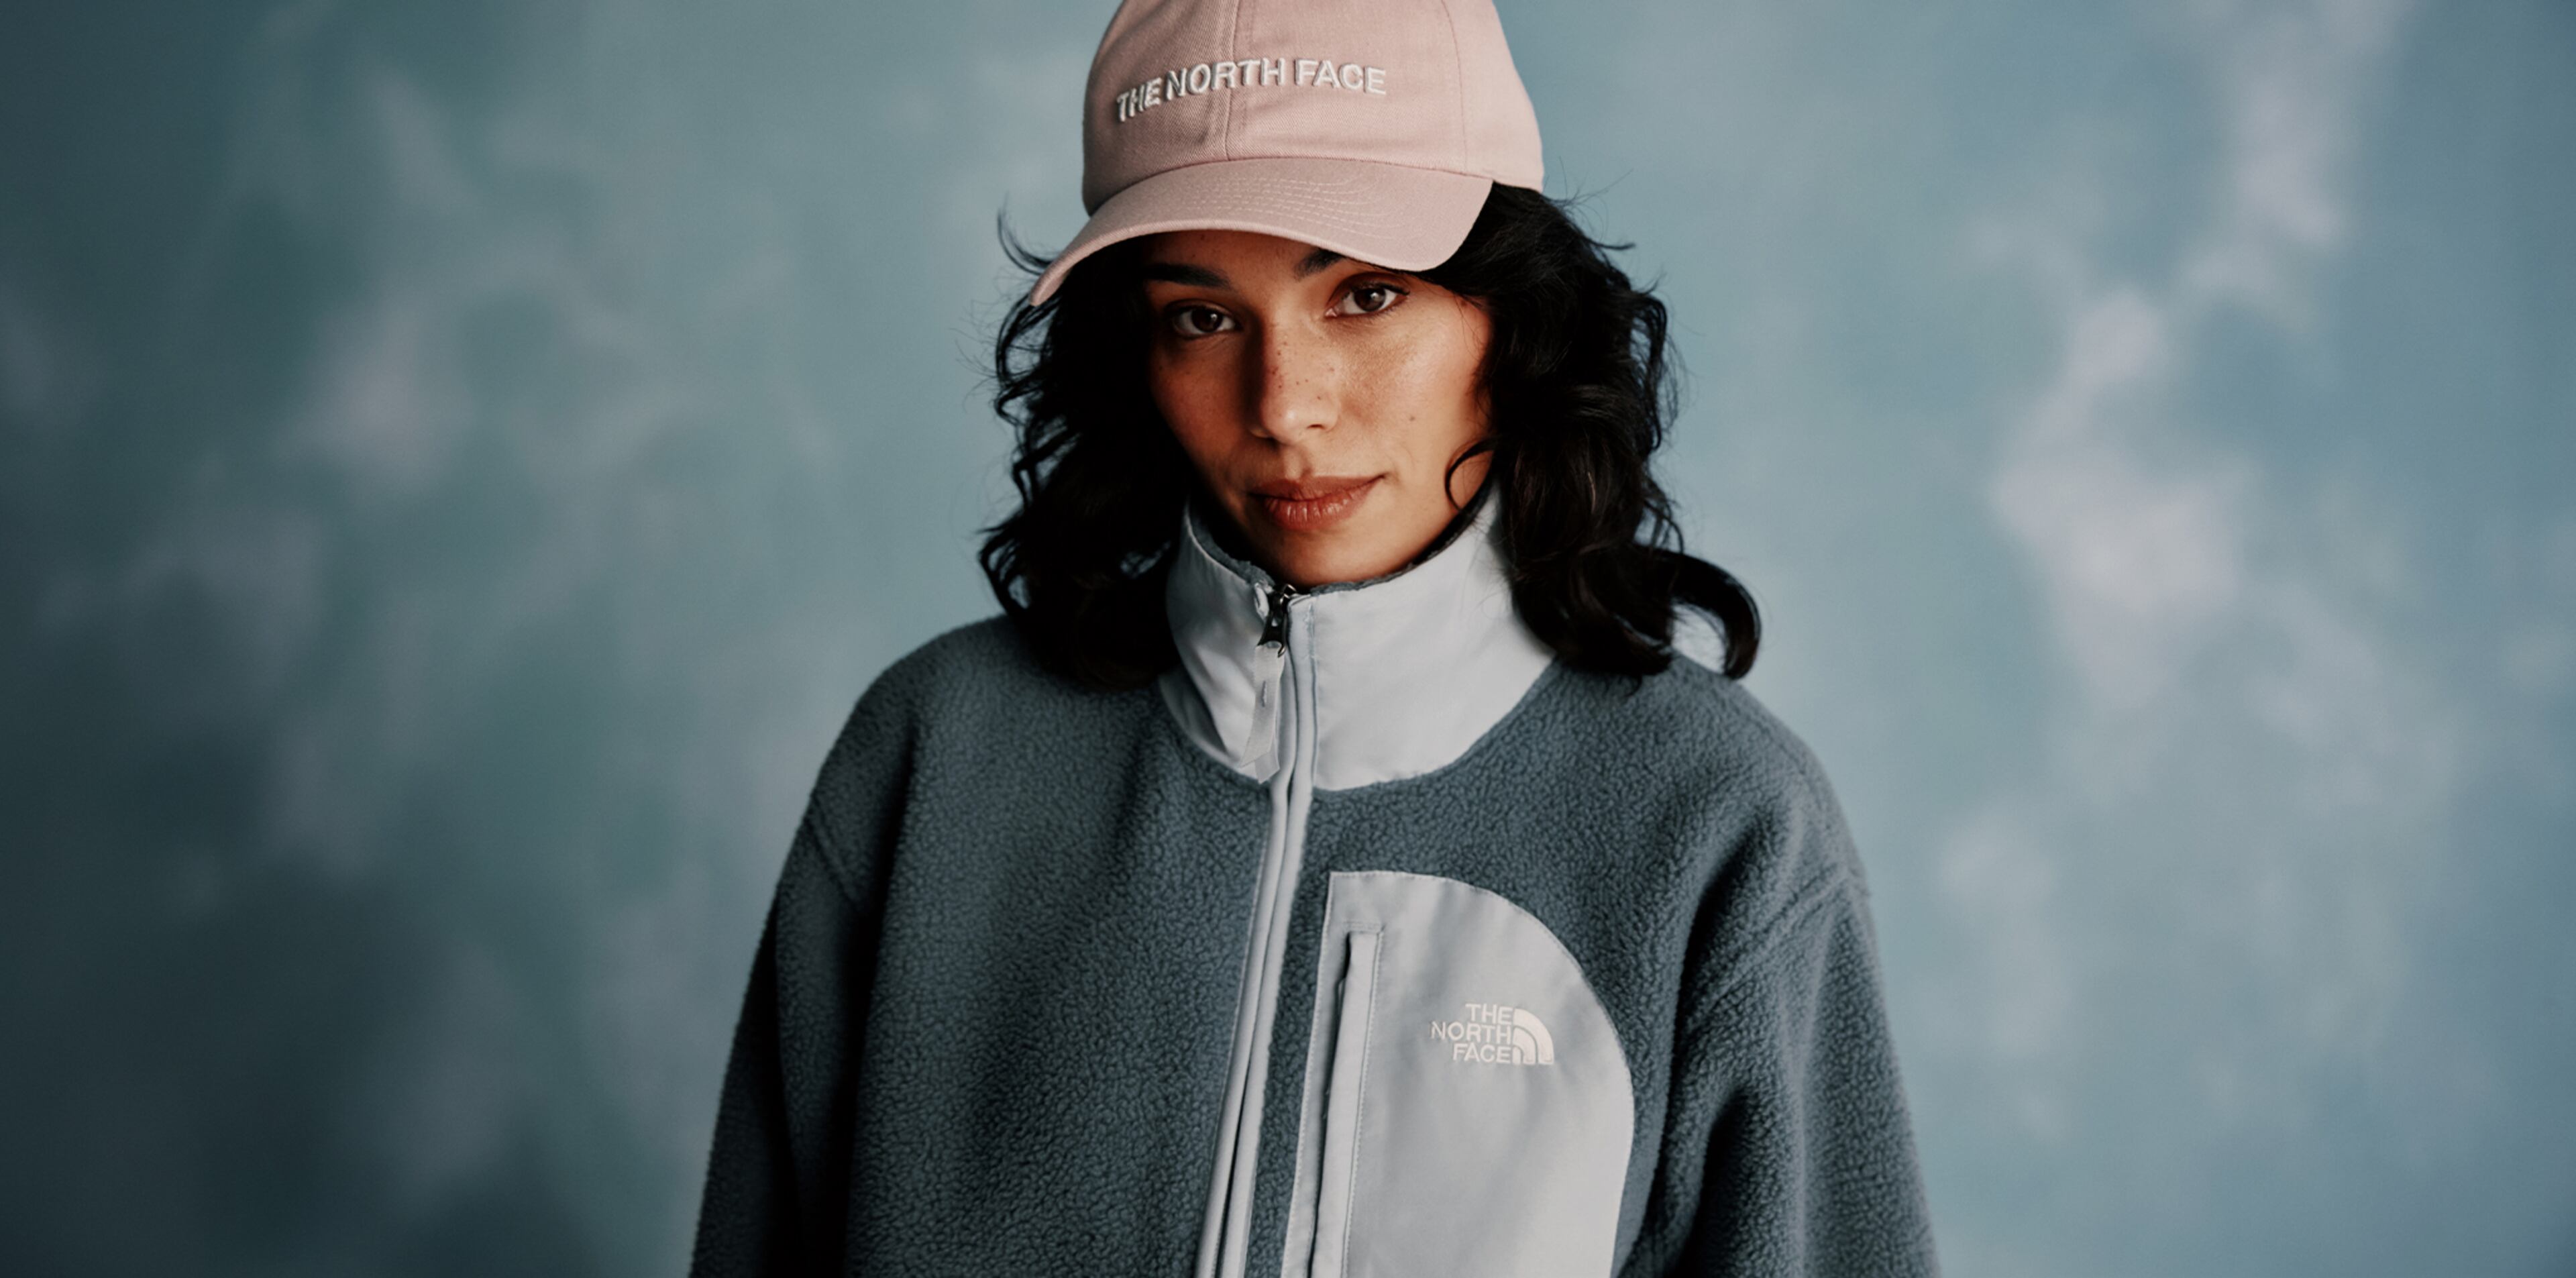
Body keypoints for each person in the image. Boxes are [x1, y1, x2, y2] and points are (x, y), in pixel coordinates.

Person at [688, 0, 1939, 1273]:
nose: (1285, 407)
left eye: (1367, 294)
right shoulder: (934, 752)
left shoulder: (1721, 824)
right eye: (1202, 316)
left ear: (1514, 319)